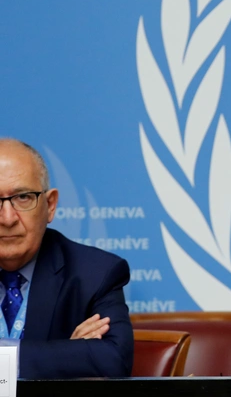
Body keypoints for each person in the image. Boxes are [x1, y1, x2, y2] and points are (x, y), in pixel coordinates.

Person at [0, 139, 133, 378]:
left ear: (50, 205)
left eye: (23, 198)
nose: (8, 218)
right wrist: (67, 354)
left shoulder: (95, 274)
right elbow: (83, 359)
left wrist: (7, 358)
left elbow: (113, 360)